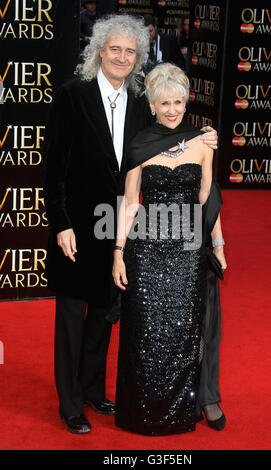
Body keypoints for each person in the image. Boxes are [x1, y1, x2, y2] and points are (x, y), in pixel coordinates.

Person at [43, 14, 218, 435]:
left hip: (121, 224)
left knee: (104, 312)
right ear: (99, 51)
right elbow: (53, 170)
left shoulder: (142, 100)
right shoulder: (72, 95)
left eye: (130, 51)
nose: (122, 57)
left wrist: (204, 136)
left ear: (138, 57)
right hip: (77, 225)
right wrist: (60, 222)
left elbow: (166, 139)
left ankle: (91, 388)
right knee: (71, 313)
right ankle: (70, 405)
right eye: (114, 49)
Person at [112, 62, 226, 436]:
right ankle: (140, 413)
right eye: (165, 103)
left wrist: (217, 244)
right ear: (153, 105)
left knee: (183, 335)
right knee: (144, 333)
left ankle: (179, 413)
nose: (173, 110)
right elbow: (129, 203)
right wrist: (117, 252)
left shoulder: (202, 142)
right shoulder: (141, 144)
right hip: (146, 250)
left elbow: (209, 199)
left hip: (188, 252)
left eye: (179, 102)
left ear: (186, 101)